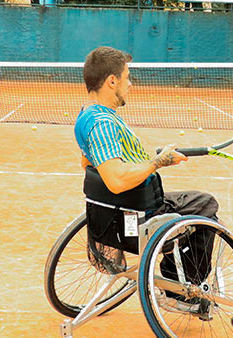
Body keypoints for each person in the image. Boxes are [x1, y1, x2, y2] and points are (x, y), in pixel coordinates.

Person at [74, 45, 219, 314]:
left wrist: (157, 157)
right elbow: (116, 181)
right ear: (112, 81)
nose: (130, 83)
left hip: (112, 215)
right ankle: (178, 291)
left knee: (195, 202)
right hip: (138, 215)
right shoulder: (102, 124)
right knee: (207, 206)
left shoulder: (86, 116)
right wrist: (156, 162)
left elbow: (87, 161)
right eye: (127, 77)